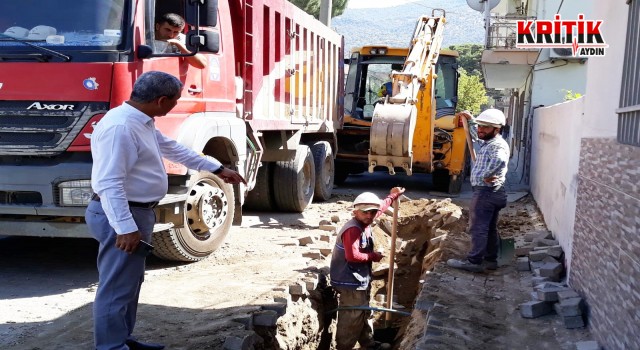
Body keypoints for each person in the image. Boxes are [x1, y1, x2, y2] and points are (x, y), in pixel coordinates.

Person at [86, 71, 245, 350]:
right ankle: (110, 347)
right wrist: (125, 228)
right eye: (175, 100)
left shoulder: (139, 121)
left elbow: (171, 148)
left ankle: (122, 339)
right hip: (123, 215)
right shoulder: (121, 127)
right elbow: (109, 183)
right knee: (115, 288)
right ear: (161, 100)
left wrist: (217, 168)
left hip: (138, 212)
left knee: (129, 283)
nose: (175, 105)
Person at [330, 187, 405, 350]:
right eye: (365, 212)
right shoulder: (353, 230)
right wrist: (374, 256)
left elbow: (381, 208)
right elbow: (352, 256)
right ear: (355, 211)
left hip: (359, 279)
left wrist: (393, 196)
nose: (369, 216)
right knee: (352, 316)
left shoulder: (366, 219)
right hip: (349, 282)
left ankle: (368, 344)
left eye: (372, 212)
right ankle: (344, 347)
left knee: (363, 312)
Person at [447, 109, 510, 273]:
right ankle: (490, 260)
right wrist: (472, 120)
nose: (481, 130)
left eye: (486, 127)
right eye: (480, 126)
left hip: (486, 192)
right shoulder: (489, 141)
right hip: (493, 192)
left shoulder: (497, 145)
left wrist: (487, 175)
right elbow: (476, 135)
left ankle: (474, 261)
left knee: (478, 227)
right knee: (489, 228)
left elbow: (500, 160)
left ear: (497, 129)